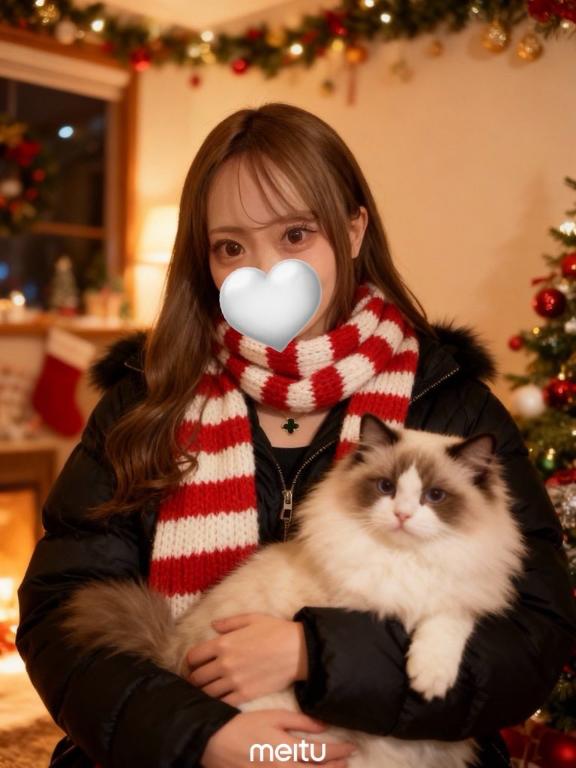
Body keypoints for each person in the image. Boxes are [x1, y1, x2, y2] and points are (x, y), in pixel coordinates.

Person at [16, 102, 576, 768]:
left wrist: (318, 653)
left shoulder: (450, 404)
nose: (262, 268)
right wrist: (201, 736)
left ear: (353, 229)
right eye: (230, 247)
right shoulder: (145, 400)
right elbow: (60, 618)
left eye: (295, 234)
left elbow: (531, 642)